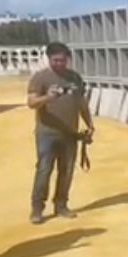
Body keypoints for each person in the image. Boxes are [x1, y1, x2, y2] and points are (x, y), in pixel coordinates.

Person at [27, 42, 94, 225]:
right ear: (49, 59)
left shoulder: (75, 78)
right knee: (44, 170)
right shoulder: (40, 78)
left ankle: (61, 204)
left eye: (63, 60)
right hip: (47, 133)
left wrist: (89, 124)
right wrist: (48, 97)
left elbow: (81, 103)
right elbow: (31, 103)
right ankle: (37, 208)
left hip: (70, 133)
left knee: (67, 171)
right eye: (55, 60)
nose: (59, 64)